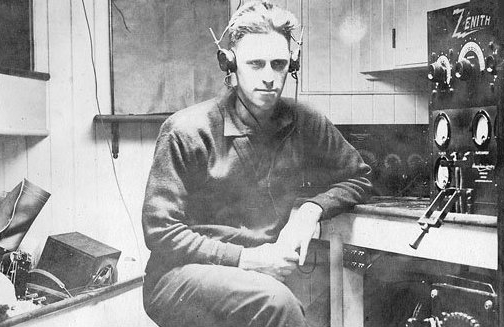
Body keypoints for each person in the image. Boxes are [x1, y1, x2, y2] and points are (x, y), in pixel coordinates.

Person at [142, 2, 372, 326]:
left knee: (310, 308)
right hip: (178, 276)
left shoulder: (304, 121)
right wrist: (247, 260)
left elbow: (359, 176)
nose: (269, 77)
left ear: (291, 65)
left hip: (254, 274)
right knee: (279, 305)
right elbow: (160, 232)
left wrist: (310, 211)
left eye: (278, 64)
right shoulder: (187, 130)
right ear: (230, 66)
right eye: (256, 64)